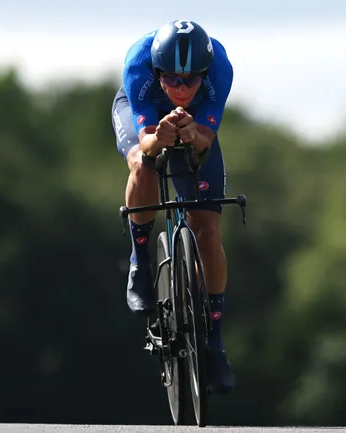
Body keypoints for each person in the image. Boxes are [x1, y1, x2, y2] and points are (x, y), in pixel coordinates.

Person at [110, 19, 235, 395]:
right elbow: (147, 140)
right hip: (141, 114)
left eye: (190, 82)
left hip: (195, 127)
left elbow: (206, 139)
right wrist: (157, 137)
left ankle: (213, 340)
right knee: (141, 163)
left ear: (204, 74)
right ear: (157, 71)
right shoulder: (139, 63)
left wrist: (193, 133)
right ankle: (140, 260)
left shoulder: (221, 68)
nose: (180, 89)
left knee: (208, 231)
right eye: (171, 80)